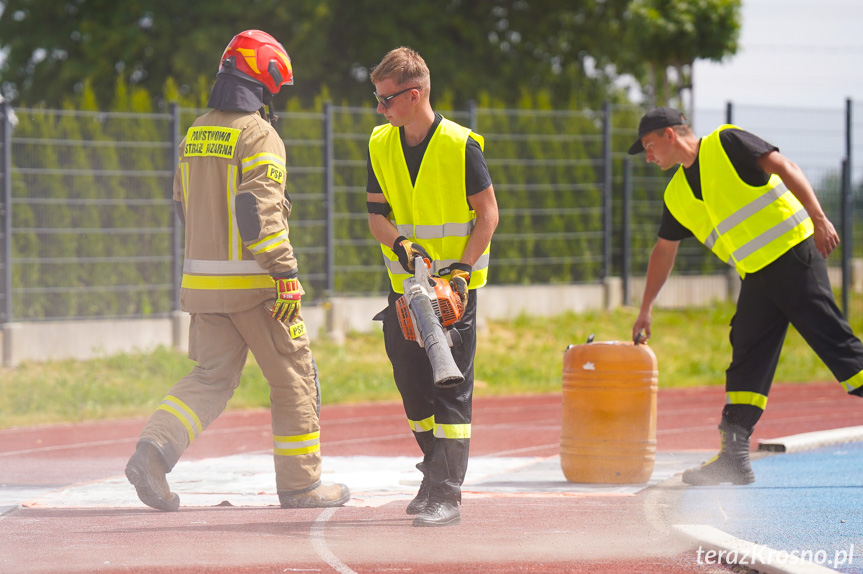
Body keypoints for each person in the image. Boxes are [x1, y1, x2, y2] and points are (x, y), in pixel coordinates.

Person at [125, 30, 350, 511]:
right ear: (262, 82)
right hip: (256, 289)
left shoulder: (195, 133)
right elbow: (257, 209)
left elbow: (182, 205)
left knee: (209, 379)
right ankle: (301, 485)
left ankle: (151, 456)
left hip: (204, 288)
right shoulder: (259, 134)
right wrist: (285, 272)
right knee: (293, 379)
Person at [629, 107, 863, 486]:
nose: (648, 155)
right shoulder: (676, 194)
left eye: (649, 145)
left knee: (839, 349)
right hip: (756, 275)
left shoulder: (726, 142)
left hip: (793, 255)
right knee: (747, 357)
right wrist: (645, 309)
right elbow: (663, 250)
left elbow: (786, 167)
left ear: (670, 135)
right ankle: (734, 457)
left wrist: (819, 218)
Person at [365, 46, 498, 526]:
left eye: (386, 99)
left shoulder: (461, 145)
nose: (380, 108)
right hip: (406, 290)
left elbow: (488, 215)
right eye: (377, 99)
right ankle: (432, 470)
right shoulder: (381, 143)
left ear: (413, 94)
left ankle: (447, 493)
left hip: (452, 294)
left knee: (451, 389)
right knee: (413, 386)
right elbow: (377, 215)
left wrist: (462, 271)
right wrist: (399, 242)